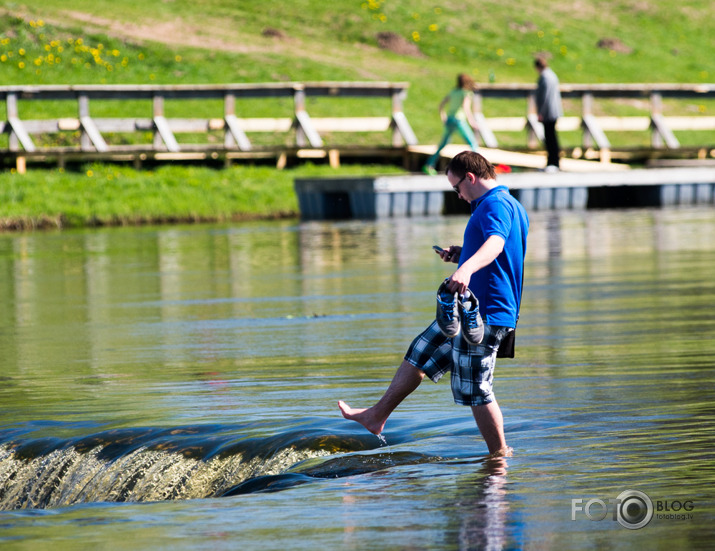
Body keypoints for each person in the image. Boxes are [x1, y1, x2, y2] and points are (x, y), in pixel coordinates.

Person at [339, 151, 529, 457]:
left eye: (457, 188)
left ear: (470, 177)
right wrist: (462, 254)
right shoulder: (504, 204)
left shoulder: (495, 204)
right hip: (470, 307)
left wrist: (466, 269)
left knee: (477, 389)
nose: (458, 195)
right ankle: (377, 416)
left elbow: (496, 244)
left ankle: (499, 458)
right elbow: (496, 250)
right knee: (421, 351)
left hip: (487, 313)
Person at [423, 74, 480, 175]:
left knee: (443, 144)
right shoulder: (466, 93)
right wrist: (472, 122)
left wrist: (443, 117)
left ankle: (429, 164)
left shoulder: (453, 92)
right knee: (473, 144)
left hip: (449, 120)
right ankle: (478, 167)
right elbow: (466, 107)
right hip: (459, 121)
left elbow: (441, 105)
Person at [534, 56, 563, 172]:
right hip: (553, 111)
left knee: (550, 137)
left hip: (548, 112)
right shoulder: (551, 75)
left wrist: (541, 112)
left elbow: (545, 97)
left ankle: (553, 162)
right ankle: (553, 162)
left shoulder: (545, 77)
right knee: (552, 136)